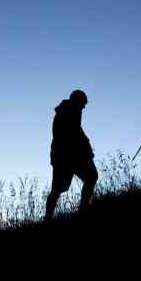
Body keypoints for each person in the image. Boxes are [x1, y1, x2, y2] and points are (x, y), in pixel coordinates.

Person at [45, 89, 98, 220]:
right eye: (83, 104)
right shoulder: (68, 112)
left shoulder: (70, 111)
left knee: (90, 177)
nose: (84, 107)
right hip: (66, 157)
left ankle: (82, 208)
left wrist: (86, 148)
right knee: (58, 189)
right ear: (77, 101)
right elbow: (72, 135)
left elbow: (78, 133)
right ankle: (48, 218)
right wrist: (86, 149)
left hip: (69, 156)